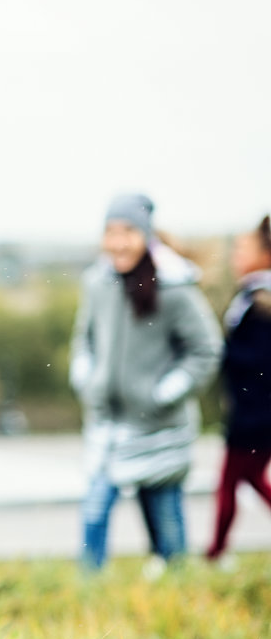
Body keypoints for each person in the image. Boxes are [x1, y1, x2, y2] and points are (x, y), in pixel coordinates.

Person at [69, 194, 222, 573]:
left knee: (164, 516)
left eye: (128, 232)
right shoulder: (97, 283)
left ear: (146, 236)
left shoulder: (175, 288)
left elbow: (206, 349)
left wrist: (164, 393)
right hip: (108, 422)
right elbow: (83, 340)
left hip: (158, 426)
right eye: (110, 232)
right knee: (95, 506)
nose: (118, 242)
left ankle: (176, 584)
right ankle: (87, 589)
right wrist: (85, 378)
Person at [205, 215, 271, 564]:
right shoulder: (252, 297)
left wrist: (223, 353)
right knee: (249, 479)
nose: (236, 256)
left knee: (232, 482)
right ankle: (216, 550)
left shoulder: (260, 303)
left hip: (253, 414)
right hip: (254, 411)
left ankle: (216, 551)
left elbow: (258, 362)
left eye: (244, 248)